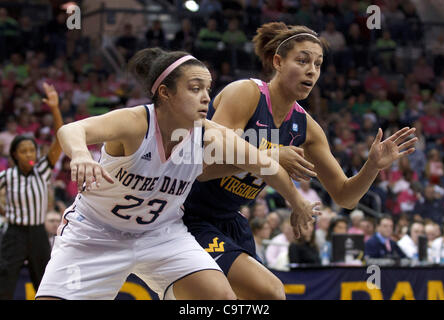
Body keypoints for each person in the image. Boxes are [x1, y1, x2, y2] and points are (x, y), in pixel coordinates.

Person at [35, 48, 318, 300]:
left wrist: (296, 201)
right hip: (96, 233)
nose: (206, 97)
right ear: (165, 93)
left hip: (162, 234)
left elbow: (265, 165)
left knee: (219, 296)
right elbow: (72, 130)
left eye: (208, 89)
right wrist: (83, 155)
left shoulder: (210, 134)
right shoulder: (136, 122)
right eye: (195, 88)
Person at [182, 22, 417, 299]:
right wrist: (270, 156)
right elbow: (202, 169)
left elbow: (344, 196)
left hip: (229, 219)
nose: (311, 70)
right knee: (267, 293)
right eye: (303, 60)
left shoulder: (306, 126)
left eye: (317, 64)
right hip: (187, 211)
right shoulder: (245, 93)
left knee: (259, 297)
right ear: (278, 62)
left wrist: (372, 166)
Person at [0, 83, 63, 299]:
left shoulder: (43, 170)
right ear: (15, 155)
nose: (29, 153)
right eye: (23, 150)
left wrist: (55, 109)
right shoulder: (6, 176)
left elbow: (60, 140)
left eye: (32, 149)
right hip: (13, 234)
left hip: (37, 233)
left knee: (46, 284)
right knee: (4, 284)